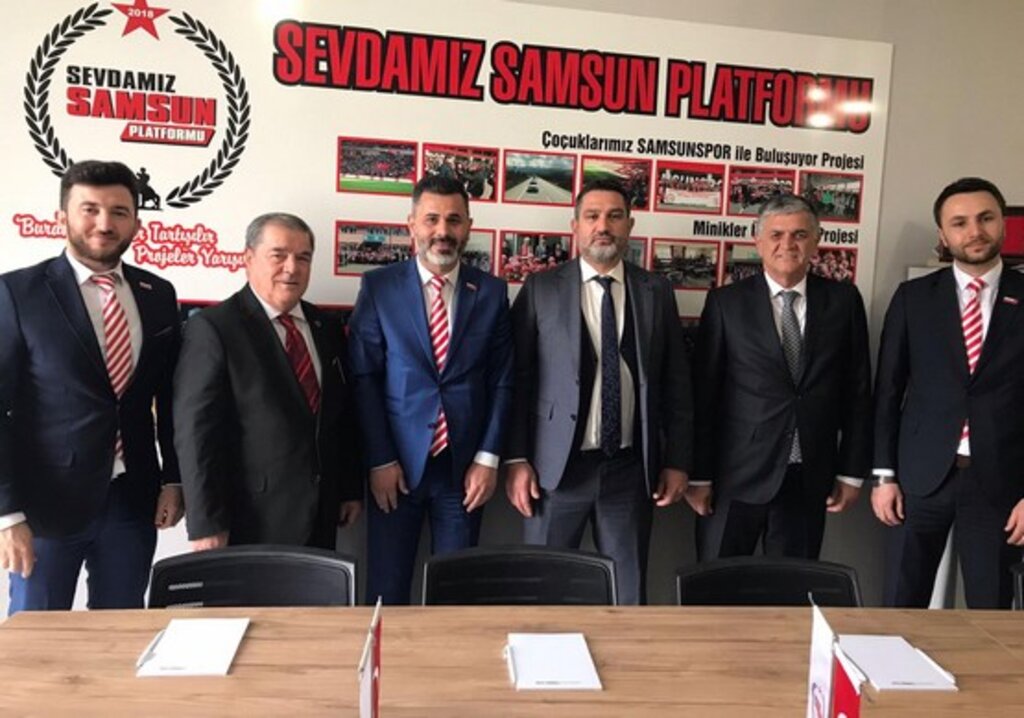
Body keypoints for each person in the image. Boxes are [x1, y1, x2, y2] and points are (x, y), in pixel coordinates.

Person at [0, 160, 183, 613]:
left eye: (119, 212)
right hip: (44, 504)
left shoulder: (158, 294)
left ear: (136, 222)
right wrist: (7, 513)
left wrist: (174, 479)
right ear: (62, 217)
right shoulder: (18, 293)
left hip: (132, 501)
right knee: (37, 634)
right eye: (90, 209)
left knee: (120, 631)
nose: (104, 223)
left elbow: (171, 398)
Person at [505, 178, 693, 605]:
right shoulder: (540, 288)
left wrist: (678, 460)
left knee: (628, 596)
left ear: (630, 225)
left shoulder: (656, 291)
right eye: (592, 216)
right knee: (543, 594)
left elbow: (676, 385)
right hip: (555, 474)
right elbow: (517, 381)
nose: (602, 226)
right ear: (575, 226)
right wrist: (516, 459)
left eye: (614, 216)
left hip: (628, 471)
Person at [348, 175, 513, 604]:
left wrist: (488, 457)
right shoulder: (379, 287)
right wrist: (380, 459)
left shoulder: (492, 292)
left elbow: (502, 379)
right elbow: (364, 378)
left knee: (456, 594)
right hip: (395, 468)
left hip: (464, 471)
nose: (443, 231)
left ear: (468, 227)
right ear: (412, 225)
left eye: (454, 220)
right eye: (432, 219)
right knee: (386, 590)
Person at [692, 193, 871, 561]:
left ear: (816, 241)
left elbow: (857, 393)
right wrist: (698, 475)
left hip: (808, 476)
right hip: (734, 477)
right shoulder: (725, 303)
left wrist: (851, 472)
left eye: (799, 235)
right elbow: (704, 395)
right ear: (758, 242)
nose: (787, 244)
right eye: (776, 235)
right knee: (716, 585)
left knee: (792, 588)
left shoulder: (844, 301)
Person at [873, 177, 1024, 609]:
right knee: (901, 605)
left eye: (985, 218)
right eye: (959, 223)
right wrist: (884, 477)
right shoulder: (914, 298)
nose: (974, 231)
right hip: (918, 481)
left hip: (1002, 485)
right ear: (943, 234)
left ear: (1003, 224)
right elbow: (887, 392)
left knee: (990, 612)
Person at [174, 213, 362, 551]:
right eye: (279, 255)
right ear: (248, 258)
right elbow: (196, 432)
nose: (292, 268)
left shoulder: (326, 327)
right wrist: (206, 522)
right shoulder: (215, 328)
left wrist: (348, 488)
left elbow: (341, 416)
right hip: (249, 519)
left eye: (303, 258)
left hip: (322, 514)